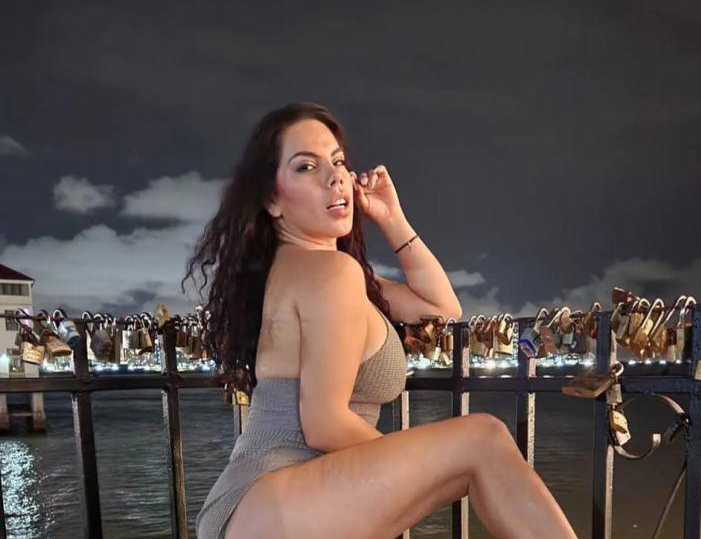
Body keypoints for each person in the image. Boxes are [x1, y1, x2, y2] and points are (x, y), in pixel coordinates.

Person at [185, 102, 578, 538]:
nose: (334, 177)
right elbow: (323, 423)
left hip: (268, 507)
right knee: (483, 439)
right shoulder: (330, 273)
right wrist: (416, 468)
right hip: (277, 495)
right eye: (306, 167)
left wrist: (391, 218)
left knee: (477, 449)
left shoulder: (315, 270)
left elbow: (441, 308)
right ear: (272, 200)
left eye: (337, 162)